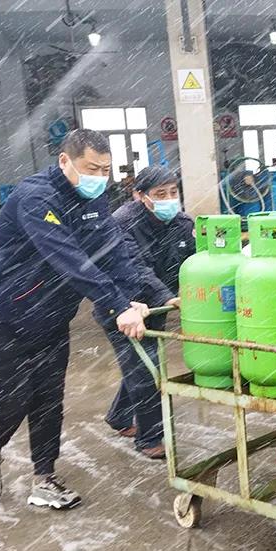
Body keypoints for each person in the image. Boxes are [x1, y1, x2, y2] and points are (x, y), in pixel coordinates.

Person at [0, 129, 149, 510]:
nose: (99, 177)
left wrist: (129, 296)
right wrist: (116, 304)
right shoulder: (35, 198)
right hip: (1, 317)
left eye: (105, 170)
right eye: (91, 168)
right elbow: (67, 257)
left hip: (51, 318)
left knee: (49, 400)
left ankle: (44, 479)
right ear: (64, 160)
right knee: (12, 400)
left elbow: (112, 249)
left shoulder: (94, 199)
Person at [104, 166, 195, 458]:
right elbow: (137, 269)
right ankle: (149, 439)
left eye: (173, 192)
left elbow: (197, 259)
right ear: (140, 196)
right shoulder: (122, 223)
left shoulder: (183, 223)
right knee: (146, 369)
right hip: (122, 307)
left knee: (140, 363)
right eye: (160, 194)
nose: (169, 199)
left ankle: (119, 416)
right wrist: (168, 296)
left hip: (155, 308)